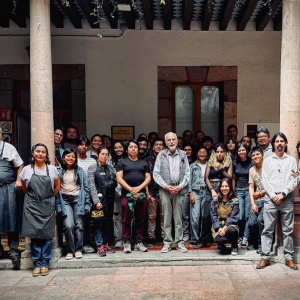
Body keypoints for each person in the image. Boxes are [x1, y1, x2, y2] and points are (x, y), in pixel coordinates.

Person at [257, 132, 298, 270]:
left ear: (285, 143)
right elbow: (265, 180)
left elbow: (295, 179)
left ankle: (289, 258)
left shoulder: (291, 160)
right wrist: (273, 195)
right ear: (273, 144)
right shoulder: (268, 161)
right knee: (267, 229)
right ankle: (265, 257)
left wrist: (283, 193)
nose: (279, 143)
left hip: (286, 199)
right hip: (270, 199)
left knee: (288, 230)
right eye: (277, 141)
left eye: (282, 141)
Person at [19, 143, 60, 277]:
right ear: (33, 153)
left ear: (46, 155)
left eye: (43, 152)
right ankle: (37, 263)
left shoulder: (52, 169)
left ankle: (45, 263)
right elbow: (24, 188)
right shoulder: (26, 170)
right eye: (38, 151)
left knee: (47, 235)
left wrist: (47, 199)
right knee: (34, 235)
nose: (40, 154)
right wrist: (34, 199)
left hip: (47, 203)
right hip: (31, 205)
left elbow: (57, 187)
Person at [153, 132, 190, 253]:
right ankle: (167, 243)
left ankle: (179, 243)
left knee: (178, 218)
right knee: (167, 217)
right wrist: (166, 186)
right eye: (168, 140)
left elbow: (187, 174)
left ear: (177, 140)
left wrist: (180, 186)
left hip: (179, 189)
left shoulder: (183, 154)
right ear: (166, 142)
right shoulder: (161, 155)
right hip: (165, 190)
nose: (171, 142)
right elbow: (156, 174)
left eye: (173, 139)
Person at [55, 148, 91, 260]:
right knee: (68, 225)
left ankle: (78, 249)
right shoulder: (58, 171)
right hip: (64, 200)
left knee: (79, 225)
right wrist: (58, 206)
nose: (70, 158)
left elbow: (86, 188)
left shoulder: (80, 171)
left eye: (73, 156)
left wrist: (87, 204)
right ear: (63, 157)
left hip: (78, 199)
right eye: (68, 156)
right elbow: (56, 190)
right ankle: (70, 250)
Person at [116, 140, 151, 253]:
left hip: (141, 194)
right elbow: (119, 178)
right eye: (131, 147)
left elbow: (148, 178)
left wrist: (138, 189)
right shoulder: (122, 162)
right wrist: (131, 189)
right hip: (127, 195)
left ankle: (138, 242)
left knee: (140, 219)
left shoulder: (143, 162)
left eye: (135, 147)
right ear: (127, 150)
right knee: (127, 219)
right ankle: (126, 242)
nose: (133, 149)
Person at [0, 127, 24, 266]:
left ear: (1, 135)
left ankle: (13, 249)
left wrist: (18, 180)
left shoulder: (8, 147)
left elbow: (20, 165)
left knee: (12, 217)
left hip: (9, 187)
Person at [88, 147, 116, 257]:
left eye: (106, 154)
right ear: (98, 155)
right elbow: (91, 186)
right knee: (98, 223)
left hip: (109, 199)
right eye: (102, 154)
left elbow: (115, 181)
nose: (104, 156)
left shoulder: (111, 168)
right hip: (98, 200)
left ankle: (105, 244)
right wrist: (96, 201)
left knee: (107, 222)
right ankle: (99, 246)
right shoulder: (92, 168)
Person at [203, 143, 232, 248]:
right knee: (206, 214)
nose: (219, 154)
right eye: (217, 152)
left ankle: (221, 240)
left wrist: (221, 169)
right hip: (210, 189)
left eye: (221, 152)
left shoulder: (228, 162)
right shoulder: (210, 162)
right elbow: (206, 177)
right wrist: (211, 190)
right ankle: (204, 240)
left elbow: (229, 177)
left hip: (222, 188)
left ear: (225, 152)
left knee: (221, 214)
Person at [76, 136, 97, 253]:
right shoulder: (74, 160)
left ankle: (89, 243)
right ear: (76, 146)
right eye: (81, 144)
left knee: (90, 219)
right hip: (77, 193)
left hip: (90, 193)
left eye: (85, 145)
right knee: (78, 220)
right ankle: (79, 244)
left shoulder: (92, 161)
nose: (83, 147)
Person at [232, 142, 254, 248]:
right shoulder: (235, 162)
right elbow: (233, 177)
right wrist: (233, 190)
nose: (241, 152)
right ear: (237, 152)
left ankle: (245, 237)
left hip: (248, 190)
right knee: (240, 215)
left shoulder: (251, 162)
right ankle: (240, 236)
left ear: (246, 150)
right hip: (239, 190)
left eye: (243, 150)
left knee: (247, 215)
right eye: (239, 150)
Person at [211, 178, 239, 256]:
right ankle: (221, 245)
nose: (224, 188)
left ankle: (234, 246)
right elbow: (213, 215)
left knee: (232, 231)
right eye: (222, 186)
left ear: (230, 187)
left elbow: (234, 216)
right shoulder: (215, 200)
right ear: (220, 188)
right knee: (220, 240)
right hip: (219, 224)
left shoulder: (235, 201)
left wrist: (225, 227)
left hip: (230, 224)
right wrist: (219, 228)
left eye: (226, 186)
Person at [145, 138, 165, 246]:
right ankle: (151, 237)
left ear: (164, 147)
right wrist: (147, 193)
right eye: (156, 144)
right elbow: (146, 178)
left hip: (164, 193)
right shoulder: (148, 160)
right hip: (152, 193)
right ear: (153, 147)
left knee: (163, 216)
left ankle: (164, 237)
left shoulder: (167, 159)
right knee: (151, 217)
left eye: (160, 145)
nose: (158, 146)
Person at [247, 146, 266, 253]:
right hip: (256, 201)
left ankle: (261, 244)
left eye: (257, 154)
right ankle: (253, 242)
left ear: (262, 155)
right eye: (253, 155)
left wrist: (261, 193)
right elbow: (251, 187)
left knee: (260, 221)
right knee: (252, 222)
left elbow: (273, 185)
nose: (255, 156)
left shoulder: (267, 167)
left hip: (267, 200)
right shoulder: (251, 170)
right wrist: (252, 203)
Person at [188, 145, 207, 248]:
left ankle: (203, 238)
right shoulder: (192, 166)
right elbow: (188, 181)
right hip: (195, 192)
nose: (202, 154)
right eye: (200, 152)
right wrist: (190, 193)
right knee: (195, 217)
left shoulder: (210, 164)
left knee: (204, 217)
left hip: (207, 192)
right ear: (196, 154)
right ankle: (195, 238)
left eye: (204, 152)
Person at [111, 141, 127, 248]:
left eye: (120, 147)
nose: (118, 149)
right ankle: (119, 238)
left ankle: (128, 238)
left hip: (127, 190)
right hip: (115, 191)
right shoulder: (110, 161)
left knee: (128, 215)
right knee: (117, 215)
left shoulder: (128, 160)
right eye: (116, 148)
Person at [182, 142, 196, 241]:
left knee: (194, 215)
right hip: (183, 190)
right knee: (185, 214)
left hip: (194, 190)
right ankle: (185, 233)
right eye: (185, 150)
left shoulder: (195, 162)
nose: (187, 152)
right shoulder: (180, 162)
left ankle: (193, 234)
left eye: (189, 150)